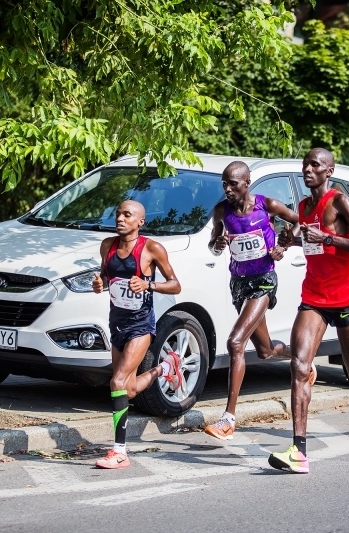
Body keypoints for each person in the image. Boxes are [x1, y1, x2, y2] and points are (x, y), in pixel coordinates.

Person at [269, 147, 349, 474]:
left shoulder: (340, 201)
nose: (308, 169)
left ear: (328, 170)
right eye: (305, 164)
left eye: (315, 165)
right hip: (314, 295)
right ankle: (299, 452)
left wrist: (329, 239)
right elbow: (307, 239)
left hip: (346, 297)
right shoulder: (303, 207)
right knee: (300, 365)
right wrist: (285, 242)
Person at [203, 161, 302, 441]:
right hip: (239, 283)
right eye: (224, 184)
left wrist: (283, 246)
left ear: (247, 182)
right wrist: (217, 244)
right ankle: (301, 357)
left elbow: (298, 222)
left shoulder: (267, 205)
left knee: (236, 342)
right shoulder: (221, 211)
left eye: (233, 184)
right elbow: (213, 241)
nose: (228, 189)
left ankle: (228, 419)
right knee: (265, 350)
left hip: (263, 280)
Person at [92, 200, 182, 469]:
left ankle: (119, 451)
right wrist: (100, 283)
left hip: (141, 325)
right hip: (117, 323)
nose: (120, 218)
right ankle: (166, 368)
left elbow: (176, 284)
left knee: (117, 381)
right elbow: (107, 277)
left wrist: (148, 284)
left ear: (140, 221)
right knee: (129, 389)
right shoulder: (107, 246)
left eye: (127, 215)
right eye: (118, 213)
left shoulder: (152, 248)